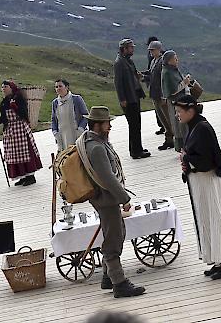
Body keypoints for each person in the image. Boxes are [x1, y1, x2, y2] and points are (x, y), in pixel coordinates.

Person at [80, 106, 145, 298]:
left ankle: (107, 278)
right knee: (114, 240)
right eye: (107, 123)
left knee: (114, 233)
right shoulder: (97, 147)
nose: (110, 126)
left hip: (103, 199)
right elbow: (108, 178)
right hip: (106, 200)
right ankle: (119, 284)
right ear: (98, 125)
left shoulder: (93, 141)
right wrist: (124, 199)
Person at [175, 95, 221, 280]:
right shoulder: (193, 127)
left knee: (215, 218)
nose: (177, 115)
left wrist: (186, 159)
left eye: (179, 111)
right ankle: (219, 261)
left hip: (209, 182)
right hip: (201, 183)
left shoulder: (202, 128)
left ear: (190, 111)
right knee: (207, 220)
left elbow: (206, 160)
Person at [0, 80, 43, 185]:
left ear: (11, 88)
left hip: (20, 128)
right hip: (10, 130)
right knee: (14, 154)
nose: (3, 89)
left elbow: (24, 113)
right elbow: (4, 117)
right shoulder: (4, 102)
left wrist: (15, 107)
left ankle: (30, 176)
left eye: (5, 86)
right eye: (2, 87)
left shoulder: (18, 98)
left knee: (25, 151)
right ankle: (22, 175)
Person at [113, 38, 150, 159]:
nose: (133, 49)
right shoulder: (119, 63)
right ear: (124, 49)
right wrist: (122, 99)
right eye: (130, 47)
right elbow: (118, 83)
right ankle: (135, 151)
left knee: (136, 124)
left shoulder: (128, 61)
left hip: (134, 96)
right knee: (133, 124)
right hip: (128, 98)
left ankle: (137, 148)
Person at [145, 40, 173, 150]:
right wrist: (143, 75)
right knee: (162, 119)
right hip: (154, 94)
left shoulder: (162, 61)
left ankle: (173, 138)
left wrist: (164, 95)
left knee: (167, 118)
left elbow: (164, 79)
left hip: (161, 95)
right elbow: (151, 74)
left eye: (153, 50)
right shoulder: (153, 61)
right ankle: (169, 139)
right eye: (150, 50)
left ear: (159, 50)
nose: (151, 52)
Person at [160, 50, 190, 152]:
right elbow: (172, 91)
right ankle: (181, 146)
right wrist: (184, 83)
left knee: (183, 124)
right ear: (169, 61)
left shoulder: (173, 70)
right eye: (175, 58)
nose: (177, 60)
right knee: (179, 125)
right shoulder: (167, 72)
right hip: (175, 102)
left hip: (180, 100)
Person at [51, 78, 89, 151]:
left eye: (60, 86)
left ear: (67, 87)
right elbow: (53, 119)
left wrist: (80, 129)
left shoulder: (77, 99)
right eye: (56, 87)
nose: (58, 88)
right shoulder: (55, 103)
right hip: (63, 136)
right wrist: (55, 132)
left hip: (77, 134)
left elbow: (85, 115)